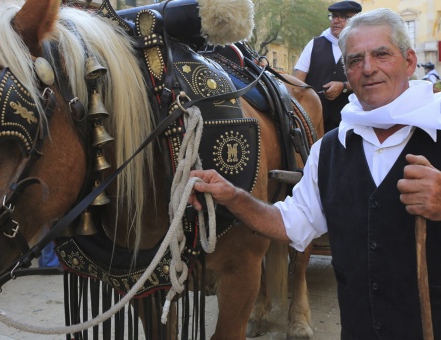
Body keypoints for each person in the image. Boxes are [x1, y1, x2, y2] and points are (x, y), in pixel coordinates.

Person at [189, 8, 441, 340]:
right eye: (355, 61)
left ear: (409, 61)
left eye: (381, 54)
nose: (368, 68)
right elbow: (290, 222)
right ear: (347, 74)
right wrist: (234, 196)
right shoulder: (329, 150)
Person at [293, 0, 362, 132]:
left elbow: (366, 82)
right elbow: (297, 83)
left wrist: (343, 86)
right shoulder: (314, 44)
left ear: (356, 20)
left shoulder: (363, 47)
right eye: (334, 16)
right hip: (313, 123)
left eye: (343, 17)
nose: (336, 20)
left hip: (350, 124)